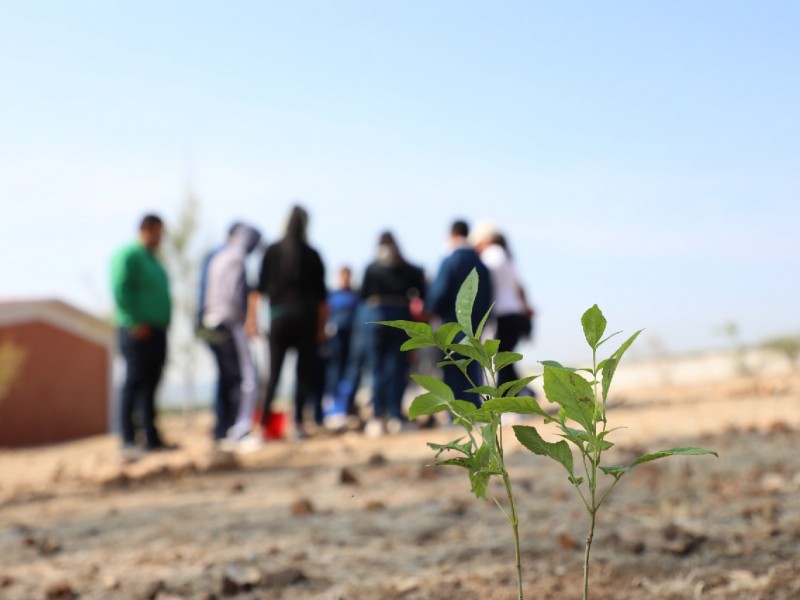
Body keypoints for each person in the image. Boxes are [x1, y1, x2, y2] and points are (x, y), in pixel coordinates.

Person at [257, 206, 327, 439]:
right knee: (302, 374)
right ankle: (297, 424)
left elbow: (259, 290)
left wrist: (252, 321)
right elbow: (322, 300)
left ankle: (262, 425)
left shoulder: (272, 251)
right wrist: (321, 328)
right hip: (306, 318)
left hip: (279, 317)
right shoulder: (313, 254)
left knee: (273, 373)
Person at [110, 214, 174, 454]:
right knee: (134, 381)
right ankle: (127, 439)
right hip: (136, 330)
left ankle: (151, 438)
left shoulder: (153, 260)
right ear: (147, 229)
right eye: (159, 232)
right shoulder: (129, 254)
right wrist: (135, 320)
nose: (161, 238)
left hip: (157, 330)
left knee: (151, 384)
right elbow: (120, 287)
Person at [199, 223, 263, 449]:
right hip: (227, 323)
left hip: (211, 321)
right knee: (244, 378)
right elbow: (236, 293)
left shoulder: (217, 257)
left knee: (226, 377)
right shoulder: (236, 258)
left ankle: (223, 430)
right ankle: (238, 430)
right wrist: (247, 321)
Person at [361, 232, 427, 436]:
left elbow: (363, 294)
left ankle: (377, 416)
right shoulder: (409, 268)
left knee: (378, 369)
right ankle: (395, 416)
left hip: (377, 317)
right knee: (397, 368)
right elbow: (422, 290)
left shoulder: (372, 268)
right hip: (400, 318)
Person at [426, 219, 492, 407]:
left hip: (452, 323)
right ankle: (473, 407)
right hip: (475, 325)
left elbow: (439, 292)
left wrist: (430, 311)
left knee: (453, 365)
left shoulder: (450, 261)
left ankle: (455, 411)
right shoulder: (481, 263)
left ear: (452, 234)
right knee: (472, 366)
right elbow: (488, 294)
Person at [470, 223, 536, 393]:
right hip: (514, 313)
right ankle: (523, 391)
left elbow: (486, 280)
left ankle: (509, 397)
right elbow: (519, 287)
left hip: (503, 313)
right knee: (505, 358)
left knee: (502, 360)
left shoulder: (492, 255)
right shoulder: (507, 256)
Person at [320, 266, 360, 427]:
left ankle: (347, 406)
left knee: (350, 372)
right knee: (334, 372)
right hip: (334, 340)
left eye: (347, 276)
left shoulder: (356, 296)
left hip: (352, 339)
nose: (345, 279)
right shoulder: (332, 296)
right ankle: (332, 409)